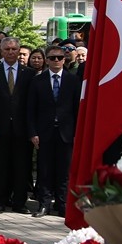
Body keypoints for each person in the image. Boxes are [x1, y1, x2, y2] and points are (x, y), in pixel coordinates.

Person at [28, 45, 81, 217]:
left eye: (59, 57)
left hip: (66, 133)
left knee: (64, 170)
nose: (56, 60)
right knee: (44, 170)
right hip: (45, 133)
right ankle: (44, 204)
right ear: (47, 60)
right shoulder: (38, 81)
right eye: (52, 58)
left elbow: (77, 109)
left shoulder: (73, 81)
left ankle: (62, 203)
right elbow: (31, 110)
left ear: (64, 59)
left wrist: (76, 132)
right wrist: (33, 132)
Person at [0, 37, 33, 214]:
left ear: (19, 50)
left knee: (21, 166)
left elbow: (31, 103)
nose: (11, 52)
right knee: (0, 166)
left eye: (14, 49)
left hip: (22, 128)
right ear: (2, 51)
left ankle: (20, 202)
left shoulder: (28, 73)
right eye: (7, 49)